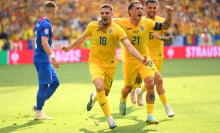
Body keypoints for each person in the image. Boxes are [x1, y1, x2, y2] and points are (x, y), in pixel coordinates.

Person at [62, 4, 150, 129]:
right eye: (102, 13)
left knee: (105, 93)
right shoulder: (92, 26)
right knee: (99, 86)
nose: (104, 15)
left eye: (107, 13)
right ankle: (110, 119)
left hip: (110, 66)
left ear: (111, 15)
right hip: (95, 63)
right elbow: (82, 38)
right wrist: (70, 47)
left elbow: (129, 46)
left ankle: (94, 98)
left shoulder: (117, 29)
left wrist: (141, 59)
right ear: (100, 14)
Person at [105, 1, 173, 125]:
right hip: (129, 61)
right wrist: (102, 19)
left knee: (150, 83)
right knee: (128, 88)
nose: (140, 10)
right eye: (137, 8)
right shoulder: (121, 22)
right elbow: (106, 20)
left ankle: (150, 115)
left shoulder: (147, 23)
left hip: (145, 59)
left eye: (142, 8)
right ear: (130, 11)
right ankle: (123, 98)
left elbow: (165, 26)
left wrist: (169, 15)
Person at [130, 0, 175, 117]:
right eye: (149, 8)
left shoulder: (161, 21)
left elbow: (170, 38)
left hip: (159, 57)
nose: (151, 10)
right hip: (146, 58)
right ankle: (166, 107)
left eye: (153, 8)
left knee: (155, 82)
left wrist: (160, 37)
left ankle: (140, 91)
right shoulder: (142, 22)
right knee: (159, 81)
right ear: (145, 8)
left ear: (157, 8)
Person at [33, 1, 60, 120]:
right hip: (42, 58)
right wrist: (53, 57)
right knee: (44, 85)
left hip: (41, 58)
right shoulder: (46, 25)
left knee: (55, 82)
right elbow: (44, 43)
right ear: (54, 12)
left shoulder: (40, 22)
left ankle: (38, 106)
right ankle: (39, 113)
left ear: (45, 11)